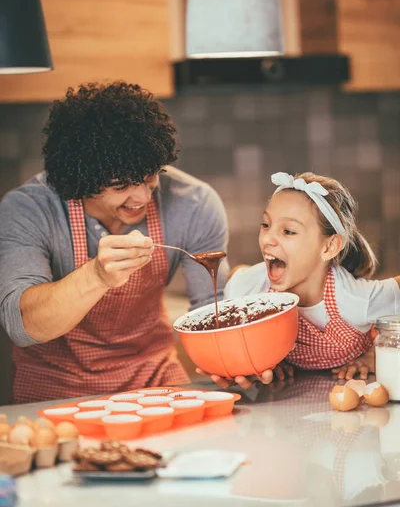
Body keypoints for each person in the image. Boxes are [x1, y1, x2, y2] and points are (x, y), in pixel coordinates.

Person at [0, 81, 229, 403]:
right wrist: (95, 276)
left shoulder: (195, 203)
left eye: (150, 175)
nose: (143, 196)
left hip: (155, 377)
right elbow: (22, 326)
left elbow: (213, 309)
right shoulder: (29, 209)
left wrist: (241, 365)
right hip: (54, 387)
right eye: (121, 185)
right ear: (79, 178)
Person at [199, 171, 400, 389]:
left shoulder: (357, 299)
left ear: (329, 247)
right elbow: (237, 277)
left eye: (288, 231)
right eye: (265, 225)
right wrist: (261, 361)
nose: (267, 239)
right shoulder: (251, 290)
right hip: (288, 401)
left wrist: (375, 353)